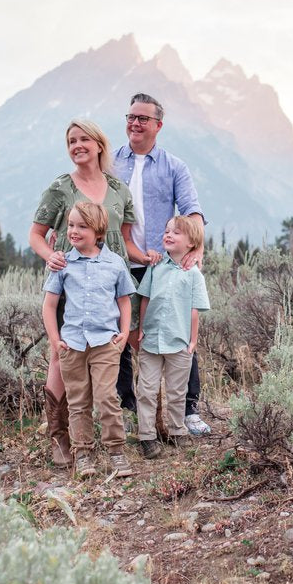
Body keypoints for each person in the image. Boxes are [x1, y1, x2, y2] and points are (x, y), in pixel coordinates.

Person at [29, 120, 146, 467]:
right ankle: (60, 437)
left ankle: (129, 433)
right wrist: (50, 256)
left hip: (111, 276)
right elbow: (36, 234)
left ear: (99, 145)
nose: (77, 145)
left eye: (83, 139)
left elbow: (125, 240)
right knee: (61, 352)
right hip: (71, 276)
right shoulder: (60, 188)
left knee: (116, 346)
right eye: (71, 141)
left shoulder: (118, 190)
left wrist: (152, 259)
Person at [112, 93, 212, 436]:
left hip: (161, 265)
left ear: (158, 125)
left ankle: (188, 410)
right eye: (131, 117)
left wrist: (197, 247)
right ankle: (127, 405)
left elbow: (192, 210)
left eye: (143, 118)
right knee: (123, 333)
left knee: (177, 329)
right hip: (119, 261)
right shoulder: (110, 163)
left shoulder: (174, 167)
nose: (135, 123)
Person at [41, 201, 136, 478]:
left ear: (98, 232)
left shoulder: (115, 263)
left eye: (82, 226)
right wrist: (55, 341)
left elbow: (124, 301)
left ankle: (116, 451)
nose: (74, 231)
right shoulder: (63, 263)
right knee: (78, 401)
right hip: (72, 344)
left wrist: (124, 333)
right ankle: (83, 454)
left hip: (105, 343)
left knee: (107, 397)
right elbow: (49, 305)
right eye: (71, 225)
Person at [135, 216, 210, 458]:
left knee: (177, 391)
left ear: (191, 243)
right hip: (151, 339)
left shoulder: (193, 274)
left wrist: (193, 340)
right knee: (146, 390)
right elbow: (145, 298)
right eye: (167, 231)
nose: (168, 235)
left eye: (176, 232)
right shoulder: (155, 267)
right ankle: (147, 436)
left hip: (179, 341)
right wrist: (142, 328)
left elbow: (194, 309)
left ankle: (177, 430)